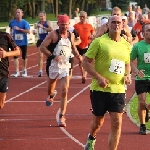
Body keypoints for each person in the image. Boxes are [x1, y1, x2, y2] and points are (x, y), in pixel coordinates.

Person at [82, 15, 131, 150]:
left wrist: (127, 75)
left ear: (122, 26)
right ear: (108, 25)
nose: (116, 25)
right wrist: (98, 77)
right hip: (100, 89)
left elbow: (127, 64)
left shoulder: (126, 45)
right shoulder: (99, 42)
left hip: (119, 90)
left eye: (118, 23)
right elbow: (85, 62)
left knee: (117, 123)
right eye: (113, 22)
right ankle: (92, 137)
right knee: (98, 122)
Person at [40, 15, 82, 127]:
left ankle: (61, 116)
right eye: (62, 24)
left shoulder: (71, 35)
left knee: (64, 90)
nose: (64, 26)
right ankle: (51, 95)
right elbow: (42, 47)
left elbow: (73, 47)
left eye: (66, 24)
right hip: (53, 66)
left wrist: (79, 56)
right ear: (58, 24)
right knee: (50, 90)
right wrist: (53, 56)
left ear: (69, 24)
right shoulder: (53, 35)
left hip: (65, 66)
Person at [130, 23, 150, 135]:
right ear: (143, 33)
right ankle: (142, 126)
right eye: (148, 30)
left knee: (145, 104)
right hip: (141, 77)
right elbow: (130, 61)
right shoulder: (138, 46)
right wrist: (136, 71)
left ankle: (147, 108)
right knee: (141, 101)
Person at [0, 31, 20, 109]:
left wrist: (6, 54)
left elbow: (17, 51)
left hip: (3, 73)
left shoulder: (5, 36)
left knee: (1, 104)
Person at [74, 11, 94, 83]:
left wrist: (92, 36)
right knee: (80, 61)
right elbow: (72, 34)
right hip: (79, 46)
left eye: (83, 17)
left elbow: (93, 33)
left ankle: (84, 75)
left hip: (86, 45)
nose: (82, 18)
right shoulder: (76, 26)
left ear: (86, 17)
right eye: (81, 17)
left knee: (85, 61)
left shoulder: (89, 26)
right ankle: (82, 74)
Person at [9, 9, 30, 77]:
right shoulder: (12, 22)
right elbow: (10, 29)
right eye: (16, 12)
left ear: (22, 14)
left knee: (24, 56)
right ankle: (17, 71)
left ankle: (24, 70)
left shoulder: (25, 22)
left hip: (23, 41)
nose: (17, 13)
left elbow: (28, 31)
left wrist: (19, 29)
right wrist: (11, 34)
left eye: (19, 12)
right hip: (15, 41)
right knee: (15, 56)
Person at [33, 11, 53, 77]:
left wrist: (43, 27)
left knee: (48, 56)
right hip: (40, 41)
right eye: (40, 16)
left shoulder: (47, 22)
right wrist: (34, 32)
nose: (41, 17)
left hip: (47, 40)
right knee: (40, 56)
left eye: (42, 16)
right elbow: (35, 30)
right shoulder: (38, 23)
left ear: (45, 16)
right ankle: (40, 71)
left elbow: (51, 29)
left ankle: (48, 69)